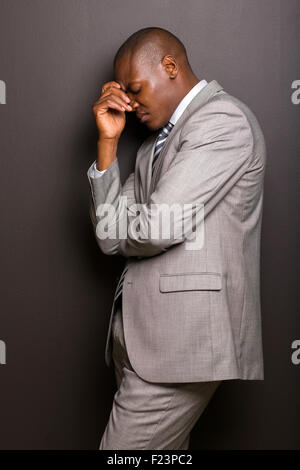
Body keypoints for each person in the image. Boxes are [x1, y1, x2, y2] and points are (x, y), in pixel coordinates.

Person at [87, 26, 266, 450]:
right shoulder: (152, 146)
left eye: (134, 88)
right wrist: (108, 144)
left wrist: (136, 221)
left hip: (182, 345)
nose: (128, 103)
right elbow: (108, 237)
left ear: (170, 67)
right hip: (141, 339)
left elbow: (155, 229)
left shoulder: (222, 121)